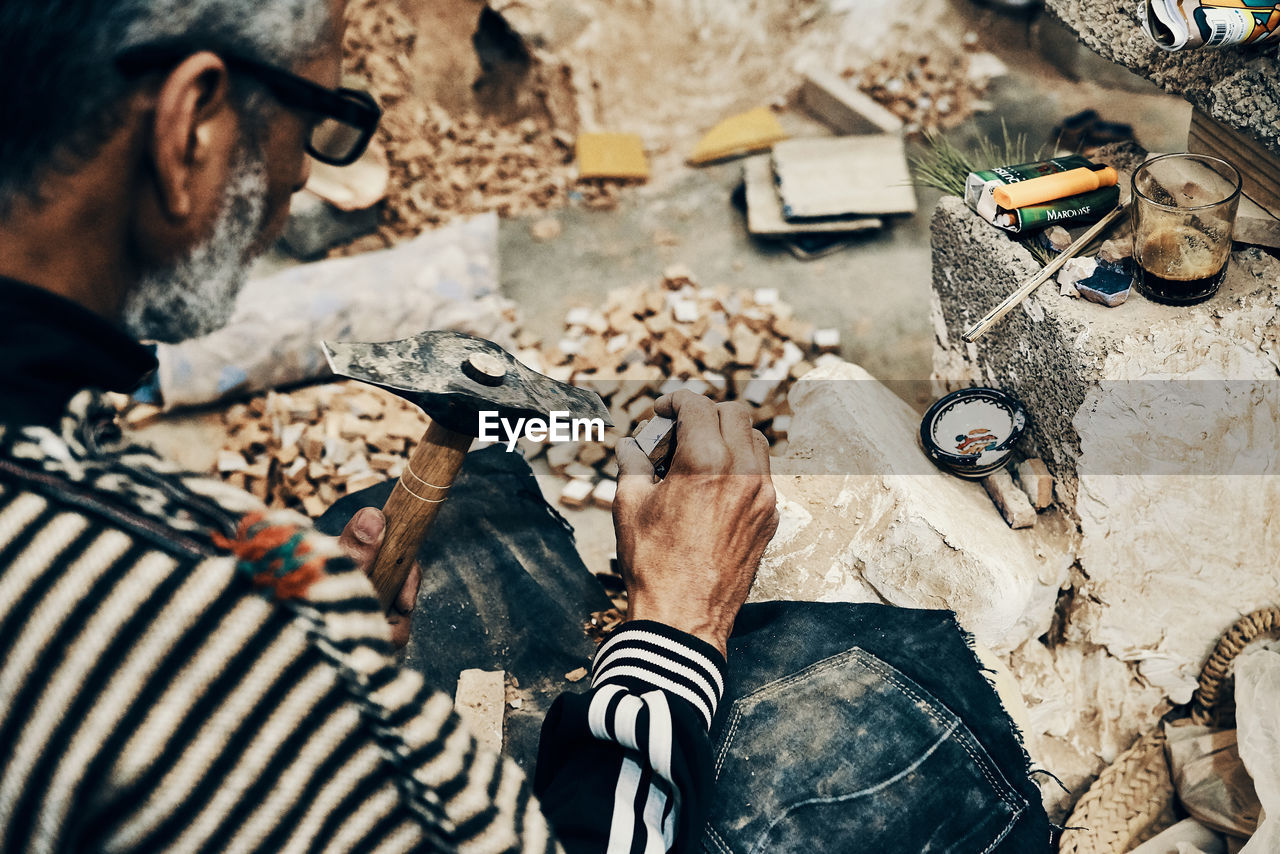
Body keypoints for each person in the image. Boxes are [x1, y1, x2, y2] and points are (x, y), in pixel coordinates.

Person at [0, 1, 779, 851]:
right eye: (323, 119)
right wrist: (677, 628)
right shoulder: (180, 613)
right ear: (192, 129)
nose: (303, 176)